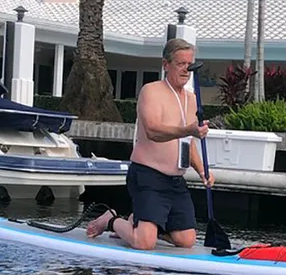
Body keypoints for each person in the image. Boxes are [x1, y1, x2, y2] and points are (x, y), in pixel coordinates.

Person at [85, 38, 214, 250]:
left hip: (175, 181)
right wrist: (188, 129)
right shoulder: (151, 91)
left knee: (186, 241)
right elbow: (153, 131)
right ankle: (110, 220)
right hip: (148, 175)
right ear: (166, 64)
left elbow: (187, 142)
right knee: (145, 243)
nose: (186, 69)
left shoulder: (191, 99)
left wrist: (202, 171)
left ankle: (138, 221)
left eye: (189, 64)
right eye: (180, 64)